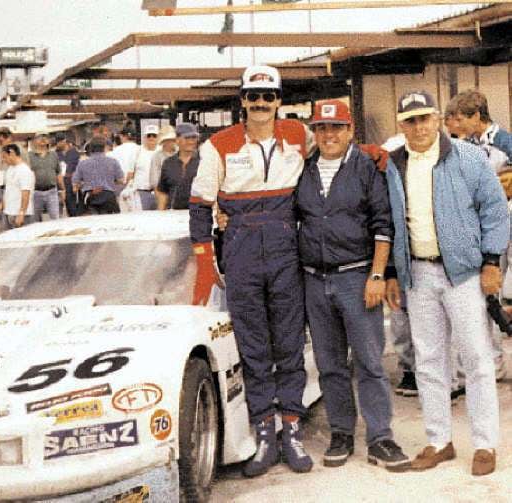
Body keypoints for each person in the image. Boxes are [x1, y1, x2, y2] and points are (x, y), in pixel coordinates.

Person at [189, 65, 315, 477]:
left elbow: (332, 153)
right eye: (253, 96)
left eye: (268, 97)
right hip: (241, 248)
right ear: (242, 100)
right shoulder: (218, 145)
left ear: (279, 101)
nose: (261, 104)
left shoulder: (298, 135)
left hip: (285, 245)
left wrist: (376, 154)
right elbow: (200, 204)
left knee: (289, 341)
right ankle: (264, 432)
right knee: (254, 344)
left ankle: (292, 428)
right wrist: (206, 261)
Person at [384, 90, 508, 476]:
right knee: (429, 359)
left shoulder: (468, 158)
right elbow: (387, 221)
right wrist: (391, 272)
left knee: (477, 358)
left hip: (465, 274)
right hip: (418, 275)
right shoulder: (393, 164)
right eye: (410, 120)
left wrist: (491, 261)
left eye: (425, 118)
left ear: (437, 119)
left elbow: (494, 209)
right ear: (401, 125)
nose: (419, 127)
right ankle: (439, 440)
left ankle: (485, 443)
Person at [296, 100, 410, 471]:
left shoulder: (367, 167)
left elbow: (382, 224)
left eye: (336, 128)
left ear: (350, 131)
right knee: (329, 364)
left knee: (370, 362)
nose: (328, 136)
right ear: (315, 132)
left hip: (357, 276)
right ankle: (341, 432)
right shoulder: (304, 169)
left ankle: (380, 438)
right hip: (314, 278)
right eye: (322, 129)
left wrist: (377, 274)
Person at [453, 89, 512, 160]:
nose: (457, 125)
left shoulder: (506, 143)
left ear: (476, 116)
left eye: (460, 120)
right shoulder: (466, 144)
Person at [72, 136, 124, 215]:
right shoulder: (113, 162)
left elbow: (75, 183)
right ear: (104, 147)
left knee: (92, 223)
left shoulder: (82, 163)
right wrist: (112, 181)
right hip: (108, 196)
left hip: (90, 196)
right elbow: (121, 180)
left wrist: (84, 184)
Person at [0, 127, 29, 224]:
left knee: (11, 220)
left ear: (9, 138)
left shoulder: (20, 151)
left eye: (1, 140)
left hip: (12, 189)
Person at [156, 123, 200, 210]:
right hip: (173, 215)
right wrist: (160, 214)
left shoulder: (204, 162)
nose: (191, 141)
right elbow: (163, 192)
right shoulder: (168, 163)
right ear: (177, 140)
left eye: (194, 138)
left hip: (199, 214)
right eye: (187, 138)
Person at [0, 143, 35, 229]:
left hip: (19, 214)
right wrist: (3, 204)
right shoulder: (10, 169)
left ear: (11, 153)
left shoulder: (24, 171)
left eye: (4, 156)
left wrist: (21, 213)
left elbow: (26, 193)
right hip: (8, 212)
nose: (3, 160)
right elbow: (8, 189)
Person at [29, 133, 62, 221]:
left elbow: (58, 173)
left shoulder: (54, 155)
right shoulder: (29, 156)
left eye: (45, 137)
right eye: (40, 137)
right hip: (35, 192)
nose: (43, 139)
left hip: (52, 191)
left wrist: (63, 190)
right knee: (35, 221)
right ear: (34, 141)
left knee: (55, 219)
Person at [131, 124, 159, 210]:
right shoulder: (137, 152)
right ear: (144, 137)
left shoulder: (162, 152)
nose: (151, 138)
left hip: (159, 192)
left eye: (154, 135)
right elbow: (131, 172)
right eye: (148, 135)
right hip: (141, 192)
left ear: (158, 137)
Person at [57, 133, 82, 216]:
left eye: (59, 142)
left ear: (64, 141)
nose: (58, 144)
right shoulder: (56, 154)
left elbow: (79, 168)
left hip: (73, 181)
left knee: (74, 207)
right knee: (65, 206)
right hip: (61, 182)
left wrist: (77, 182)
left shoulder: (74, 152)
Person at [149, 125, 178, 191]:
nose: (173, 142)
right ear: (164, 142)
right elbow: (154, 180)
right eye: (170, 140)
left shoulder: (180, 154)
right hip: (163, 192)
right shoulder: (157, 157)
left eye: (173, 140)